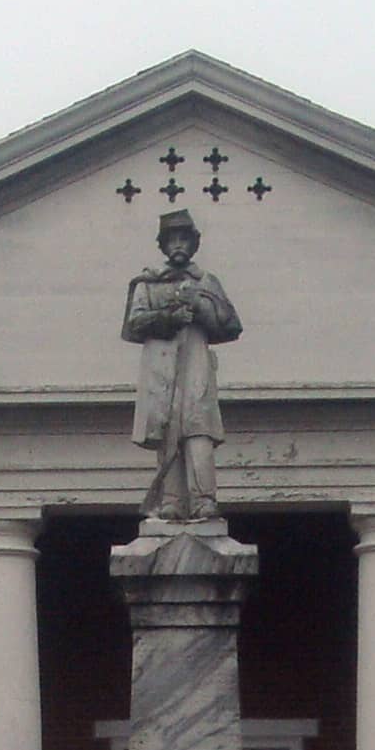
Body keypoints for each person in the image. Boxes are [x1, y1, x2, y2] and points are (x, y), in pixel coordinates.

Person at [121, 209, 244, 521]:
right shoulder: (147, 283)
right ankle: (171, 501)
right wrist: (168, 317)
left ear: (193, 244)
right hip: (161, 369)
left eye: (184, 239)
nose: (178, 244)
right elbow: (134, 325)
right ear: (163, 246)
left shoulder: (206, 282)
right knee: (167, 432)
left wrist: (199, 306)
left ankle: (204, 499)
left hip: (196, 365)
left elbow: (229, 325)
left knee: (198, 429)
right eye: (172, 239)